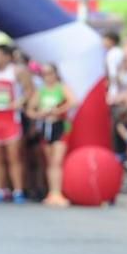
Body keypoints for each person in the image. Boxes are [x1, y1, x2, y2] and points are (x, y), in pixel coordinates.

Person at [0, 43, 33, 203]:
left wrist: (20, 102)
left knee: (14, 157)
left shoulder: (17, 71)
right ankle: (0, 190)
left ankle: (18, 191)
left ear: (6, 56)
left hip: (11, 119)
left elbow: (29, 90)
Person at [28, 64, 77, 207]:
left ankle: (57, 192)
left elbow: (73, 102)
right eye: (44, 74)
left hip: (59, 126)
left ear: (56, 74)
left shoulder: (61, 88)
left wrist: (58, 110)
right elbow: (30, 109)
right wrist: (40, 114)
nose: (47, 76)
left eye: (50, 73)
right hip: (46, 126)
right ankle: (52, 192)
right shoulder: (41, 91)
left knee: (57, 161)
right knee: (50, 162)